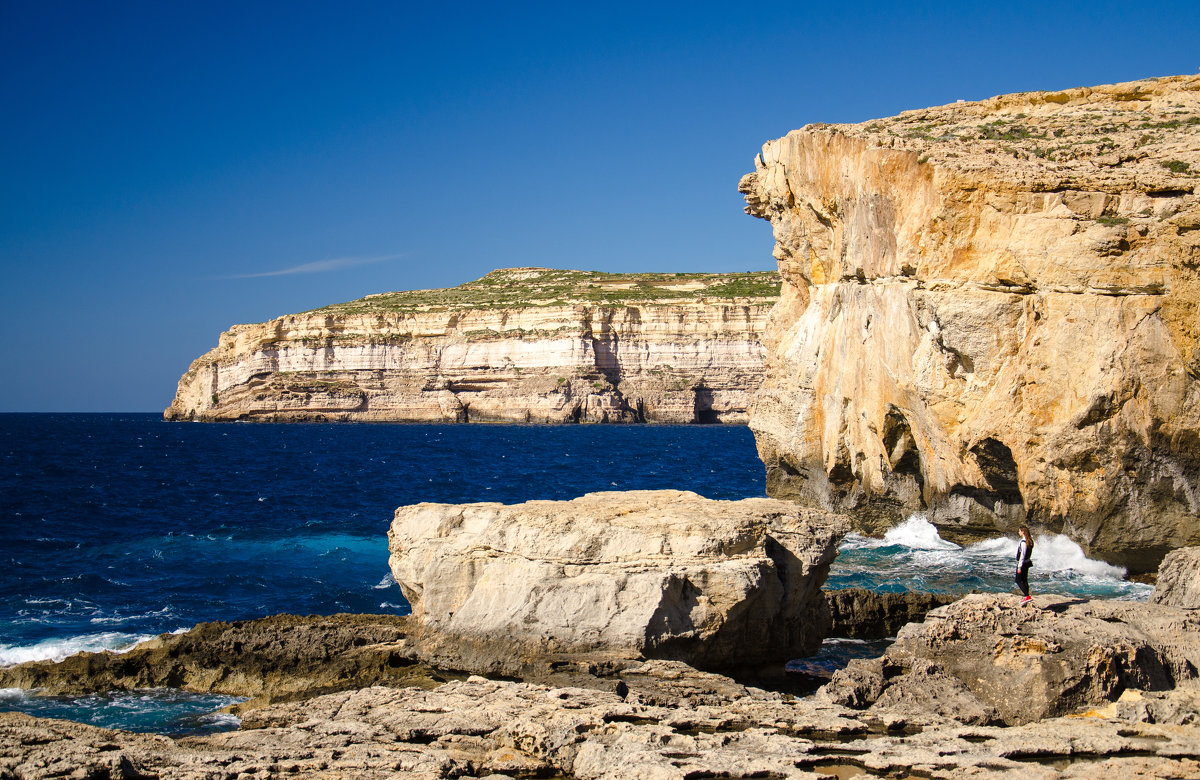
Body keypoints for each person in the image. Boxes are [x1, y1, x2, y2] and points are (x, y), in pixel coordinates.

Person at [1015, 525, 1034, 604]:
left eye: (1019, 531)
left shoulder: (1023, 542)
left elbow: (1022, 555)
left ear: (1023, 532)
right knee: (1024, 580)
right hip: (1027, 562)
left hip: (1022, 564)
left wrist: (1019, 567)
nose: (1018, 532)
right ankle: (1027, 596)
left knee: (1018, 580)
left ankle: (1027, 596)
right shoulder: (1030, 541)